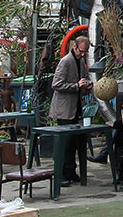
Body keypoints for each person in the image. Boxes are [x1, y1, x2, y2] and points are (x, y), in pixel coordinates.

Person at [50, 36, 91, 185]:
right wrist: (75, 86)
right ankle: (60, 174)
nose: (82, 54)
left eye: (85, 52)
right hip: (64, 109)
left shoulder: (80, 61)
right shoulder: (66, 61)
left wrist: (87, 85)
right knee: (65, 143)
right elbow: (56, 84)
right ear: (74, 47)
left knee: (73, 142)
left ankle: (70, 171)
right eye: (81, 51)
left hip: (75, 107)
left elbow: (83, 78)